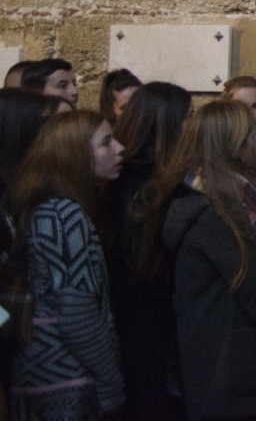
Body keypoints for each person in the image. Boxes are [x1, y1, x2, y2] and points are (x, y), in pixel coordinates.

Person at [159, 100, 256, 421]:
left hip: (216, 366)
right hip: (232, 371)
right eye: (250, 135)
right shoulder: (220, 213)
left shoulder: (194, 198)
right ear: (233, 144)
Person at [8, 110, 125, 418]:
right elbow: (77, 313)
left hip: (41, 378)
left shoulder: (44, 208)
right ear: (75, 155)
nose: (120, 148)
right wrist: (112, 381)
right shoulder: (64, 215)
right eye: (106, 143)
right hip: (67, 384)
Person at [108, 81, 192, 420]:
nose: (193, 125)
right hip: (147, 321)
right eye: (188, 117)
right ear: (166, 124)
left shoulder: (147, 179)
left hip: (149, 317)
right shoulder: (144, 185)